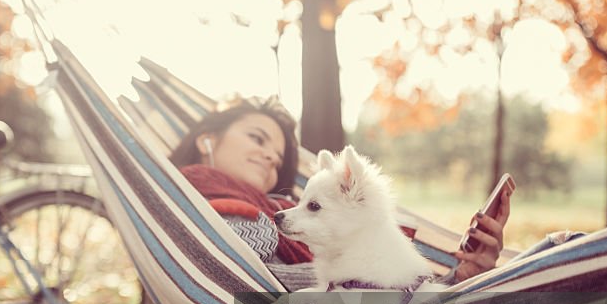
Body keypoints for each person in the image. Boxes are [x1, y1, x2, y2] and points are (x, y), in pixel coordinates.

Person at [169, 99, 509, 289]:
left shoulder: (279, 209)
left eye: (279, 156)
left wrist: (459, 278)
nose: (272, 156)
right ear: (206, 139)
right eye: (258, 138)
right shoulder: (222, 204)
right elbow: (258, 286)